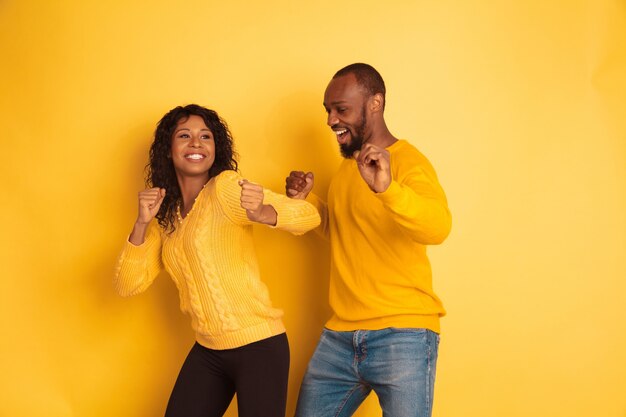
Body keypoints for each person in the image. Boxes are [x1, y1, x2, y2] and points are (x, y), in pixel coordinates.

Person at [114, 104, 320, 417]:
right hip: (209, 350)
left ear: (215, 148)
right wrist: (141, 223)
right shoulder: (165, 216)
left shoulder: (224, 189)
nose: (196, 143)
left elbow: (309, 216)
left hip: (259, 346)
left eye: (205, 136)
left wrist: (262, 212)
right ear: (168, 151)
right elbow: (127, 285)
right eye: (184, 135)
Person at [286, 63, 452, 417]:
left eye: (341, 109)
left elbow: (437, 227)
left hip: (403, 333)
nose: (331, 120)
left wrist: (388, 189)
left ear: (374, 103)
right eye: (328, 110)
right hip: (339, 337)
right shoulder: (348, 169)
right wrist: (309, 202)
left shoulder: (408, 162)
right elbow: (344, 231)